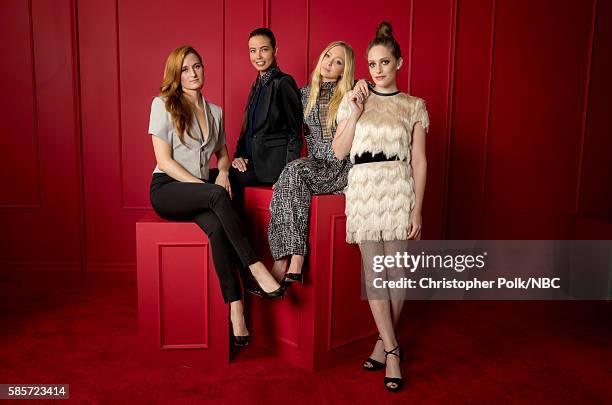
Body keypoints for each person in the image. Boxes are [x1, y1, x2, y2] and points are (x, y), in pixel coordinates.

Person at [148, 45, 285, 348]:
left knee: (217, 225)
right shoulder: (163, 105)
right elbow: (165, 160)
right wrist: (205, 185)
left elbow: (222, 155)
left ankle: (236, 308)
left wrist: (223, 171)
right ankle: (255, 269)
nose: (193, 73)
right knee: (215, 195)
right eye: (185, 69)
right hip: (168, 188)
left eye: (197, 66)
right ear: (176, 75)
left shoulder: (215, 112)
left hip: (200, 193)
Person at [332, 22, 429, 392]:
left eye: (385, 62)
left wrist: (417, 209)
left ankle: (381, 343)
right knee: (375, 274)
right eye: (372, 64)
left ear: (399, 63)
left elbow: (419, 161)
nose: (377, 69)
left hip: (399, 189)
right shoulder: (355, 99)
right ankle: (392, 350)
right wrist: (355, 110)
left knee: (398, 274)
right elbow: (340, 152)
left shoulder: (413, 106)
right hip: (364, 190)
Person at [268, 41, 367, 285]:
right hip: (315, 164)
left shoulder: (352, 90)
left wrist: (364, 83)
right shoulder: (304, 95)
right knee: (292, 173)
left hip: (340, 166)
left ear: (345, 70)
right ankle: (287, 257)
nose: (329, 64)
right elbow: (286, 131)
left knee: (293, 171)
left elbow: (375, 89)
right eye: (327, 57)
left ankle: (293, 258)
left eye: (338, 62)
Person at [230, 28, 302, 212]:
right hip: (253, 162)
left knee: (226, 178)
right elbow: (248, 129)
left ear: (275, 50)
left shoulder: (283, 83)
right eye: (253, 51)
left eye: (264, 49)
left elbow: (295, 134)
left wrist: (287, 176)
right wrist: (238, 157)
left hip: (272, 166)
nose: (258, 56)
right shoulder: (256, 85)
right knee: (214, 176)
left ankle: (237, 236)